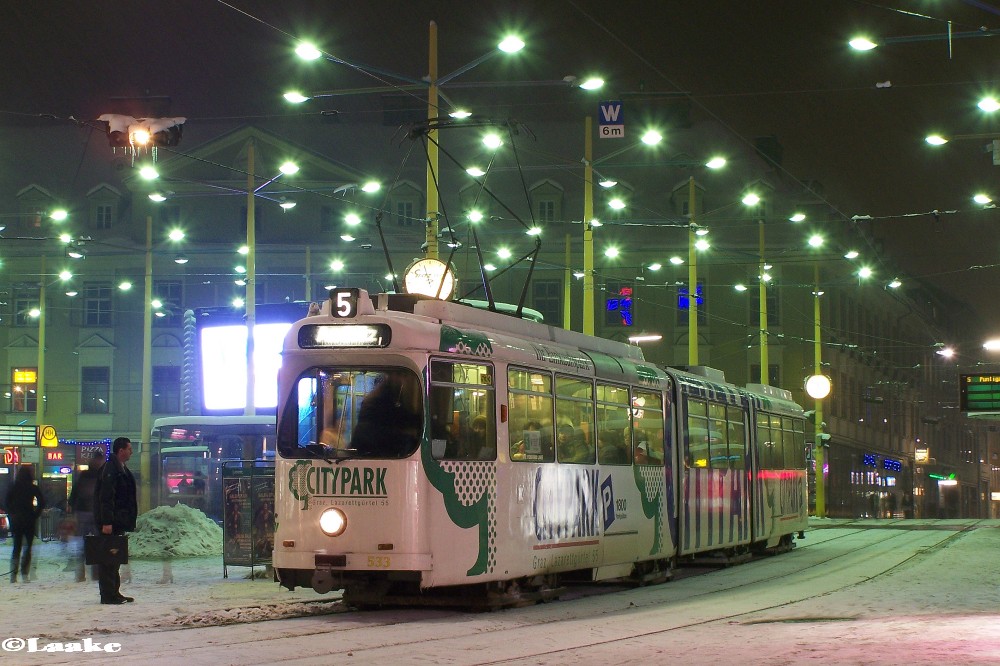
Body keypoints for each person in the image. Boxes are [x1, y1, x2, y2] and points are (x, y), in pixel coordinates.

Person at [93, 437, 137, 605]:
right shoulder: (111, 469)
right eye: (129, 449)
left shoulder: (118, 468)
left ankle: (114, 592)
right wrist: (107, 522)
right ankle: (108, 594)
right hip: (111, 522)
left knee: (114, 557)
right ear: (121, 450)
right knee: (108, 558)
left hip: (117, 521)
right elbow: (106, 497)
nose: (131, 452)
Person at [68, 450, 105, 582]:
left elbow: (74, 494)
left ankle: (82, 573)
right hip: (92, 513)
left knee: (85, 544)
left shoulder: (85, 475)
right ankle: (92, 573)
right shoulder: (101, 476)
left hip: (85, 512)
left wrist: (73, 509)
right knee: (93, 543)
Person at [5, 465, 45, 583]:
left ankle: (13, 574)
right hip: (29, 519)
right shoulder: (32, 487)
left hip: (16, 519)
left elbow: (6, 501)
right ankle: (24, 573)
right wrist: (35, 514)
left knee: (16, 547)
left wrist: (12, 513)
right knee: (28, 547)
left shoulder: (14, 487)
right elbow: (41, 502)